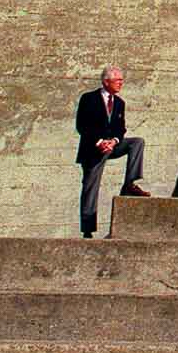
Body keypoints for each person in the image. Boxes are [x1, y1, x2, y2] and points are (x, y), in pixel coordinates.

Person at [74, 65, 149, 238]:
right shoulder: (89, 99)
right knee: (90, 187)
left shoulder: (120, 103)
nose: (121, 83)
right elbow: (82, 126)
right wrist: (99, 142)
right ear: (106, 81)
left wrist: (114, 141)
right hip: (93, 148)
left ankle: (129, 184)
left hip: (112, 146)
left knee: (137, 142)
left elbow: (120, 129)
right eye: (118, 80)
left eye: (122, 80)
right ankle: (87, 229)